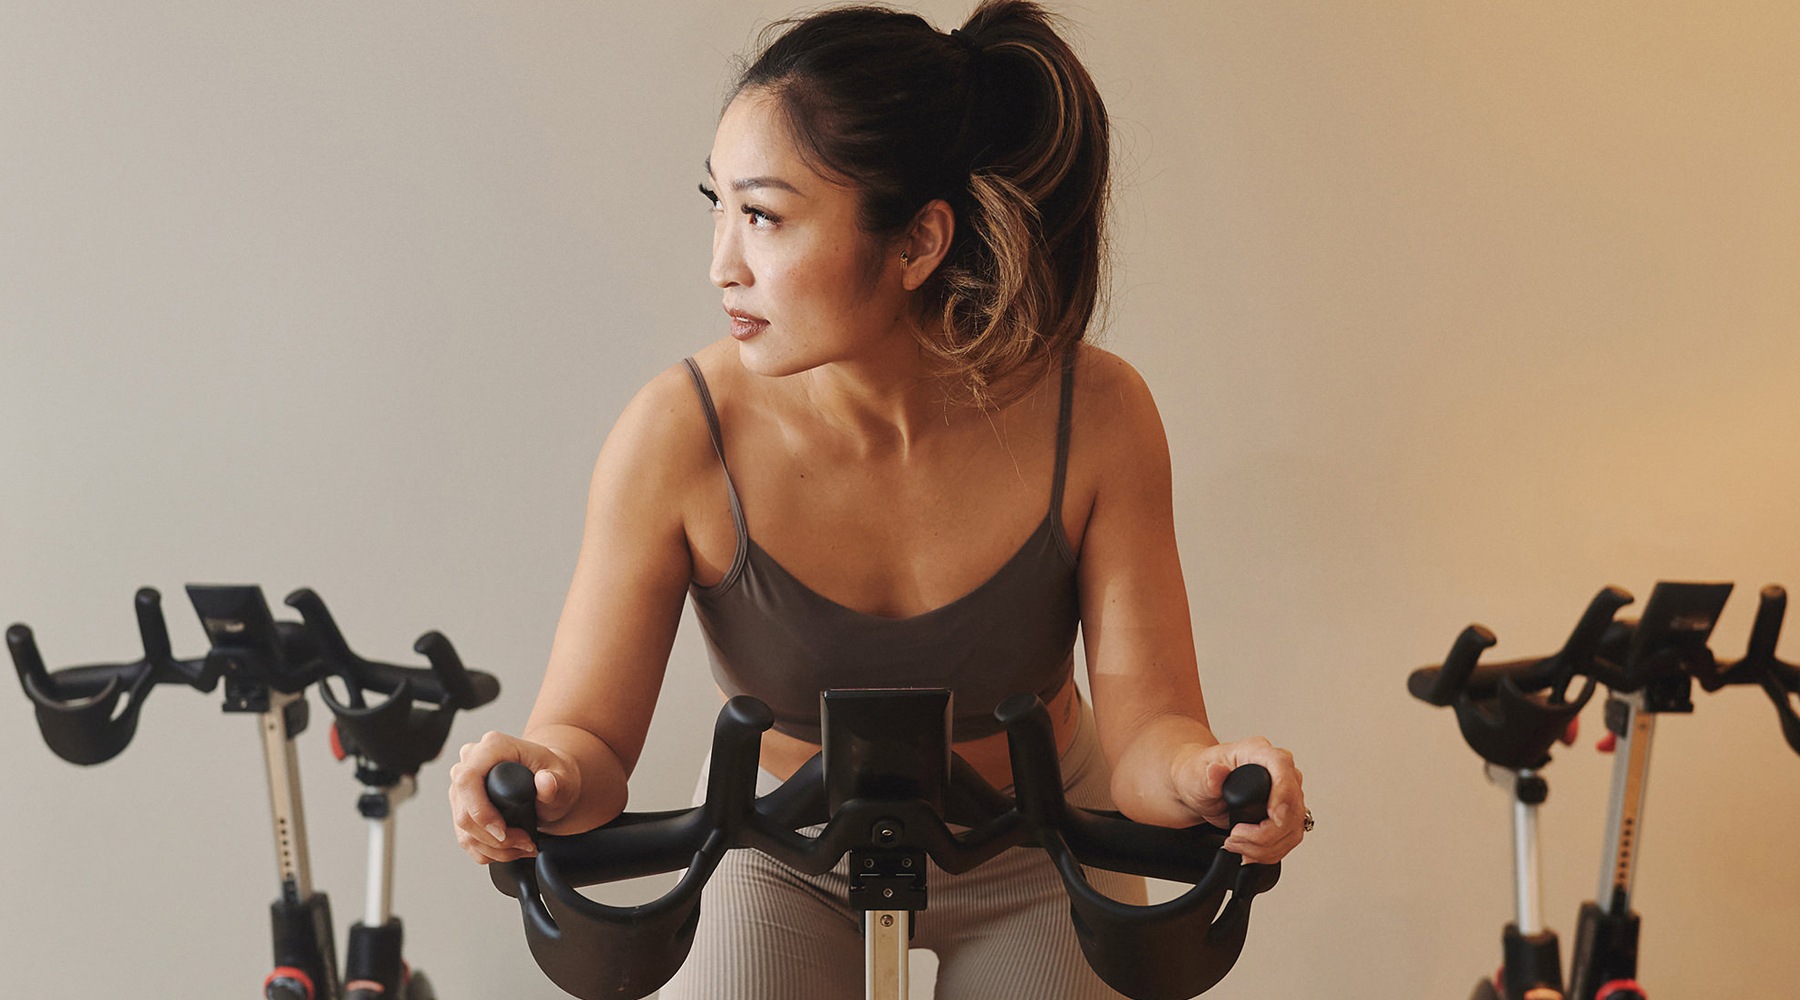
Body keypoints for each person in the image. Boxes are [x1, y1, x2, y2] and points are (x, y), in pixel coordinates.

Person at [449, 2, 1307, 996]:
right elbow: (588, 746)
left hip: (1030, 839)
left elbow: (1150, 735)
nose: (721, 262)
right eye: (716, 204)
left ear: (917, 241)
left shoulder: (1098, 413)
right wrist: (539, 774)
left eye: (764, 215)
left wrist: (1206, 774)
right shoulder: (678, 435)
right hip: (779, 843)